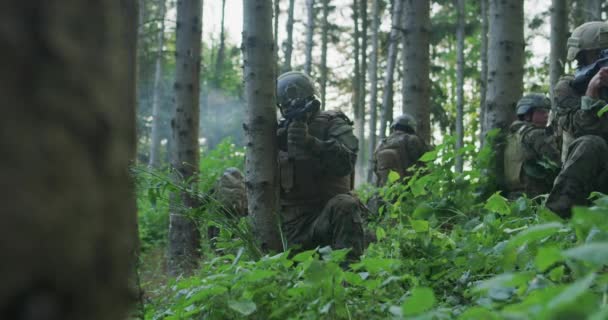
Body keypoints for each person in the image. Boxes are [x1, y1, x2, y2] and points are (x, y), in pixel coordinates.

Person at [276, 71, 365, 261]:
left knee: (346, 204)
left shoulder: (332, 123)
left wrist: (311, 143)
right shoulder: (276, 133)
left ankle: (348, 280)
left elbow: (346, 163)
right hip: (292, 231)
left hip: (330, 222)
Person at [547, 21, 608, 217]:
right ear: (584, 56)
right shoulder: (568, 87)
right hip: (588, 176)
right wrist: (591, 94)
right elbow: (581, 129)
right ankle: (558, 218)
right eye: (602, 53)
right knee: (592, 143)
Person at [503, 93, 561, 199]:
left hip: (513, 195)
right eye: (541, 112)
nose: (546, 115)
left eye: (547, 111)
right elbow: (557, 161)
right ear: (527, 114)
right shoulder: (536, 134)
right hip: (535, 196)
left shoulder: (512, 135)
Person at [372, 113, 428, 186]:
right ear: (411, 127)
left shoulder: (382, 143)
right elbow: (426, 161)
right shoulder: (413, 140)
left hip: (384, 189)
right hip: (408, 187)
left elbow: (375, 168)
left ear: (394, 127)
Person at [208, 167, 247, 244]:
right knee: (235, 231)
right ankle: (234, 247)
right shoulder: (244, 183)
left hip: (222, 212)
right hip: (238, 213)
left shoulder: (219, 182)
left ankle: (216, 249)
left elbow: (208, 197)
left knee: (218, 229)